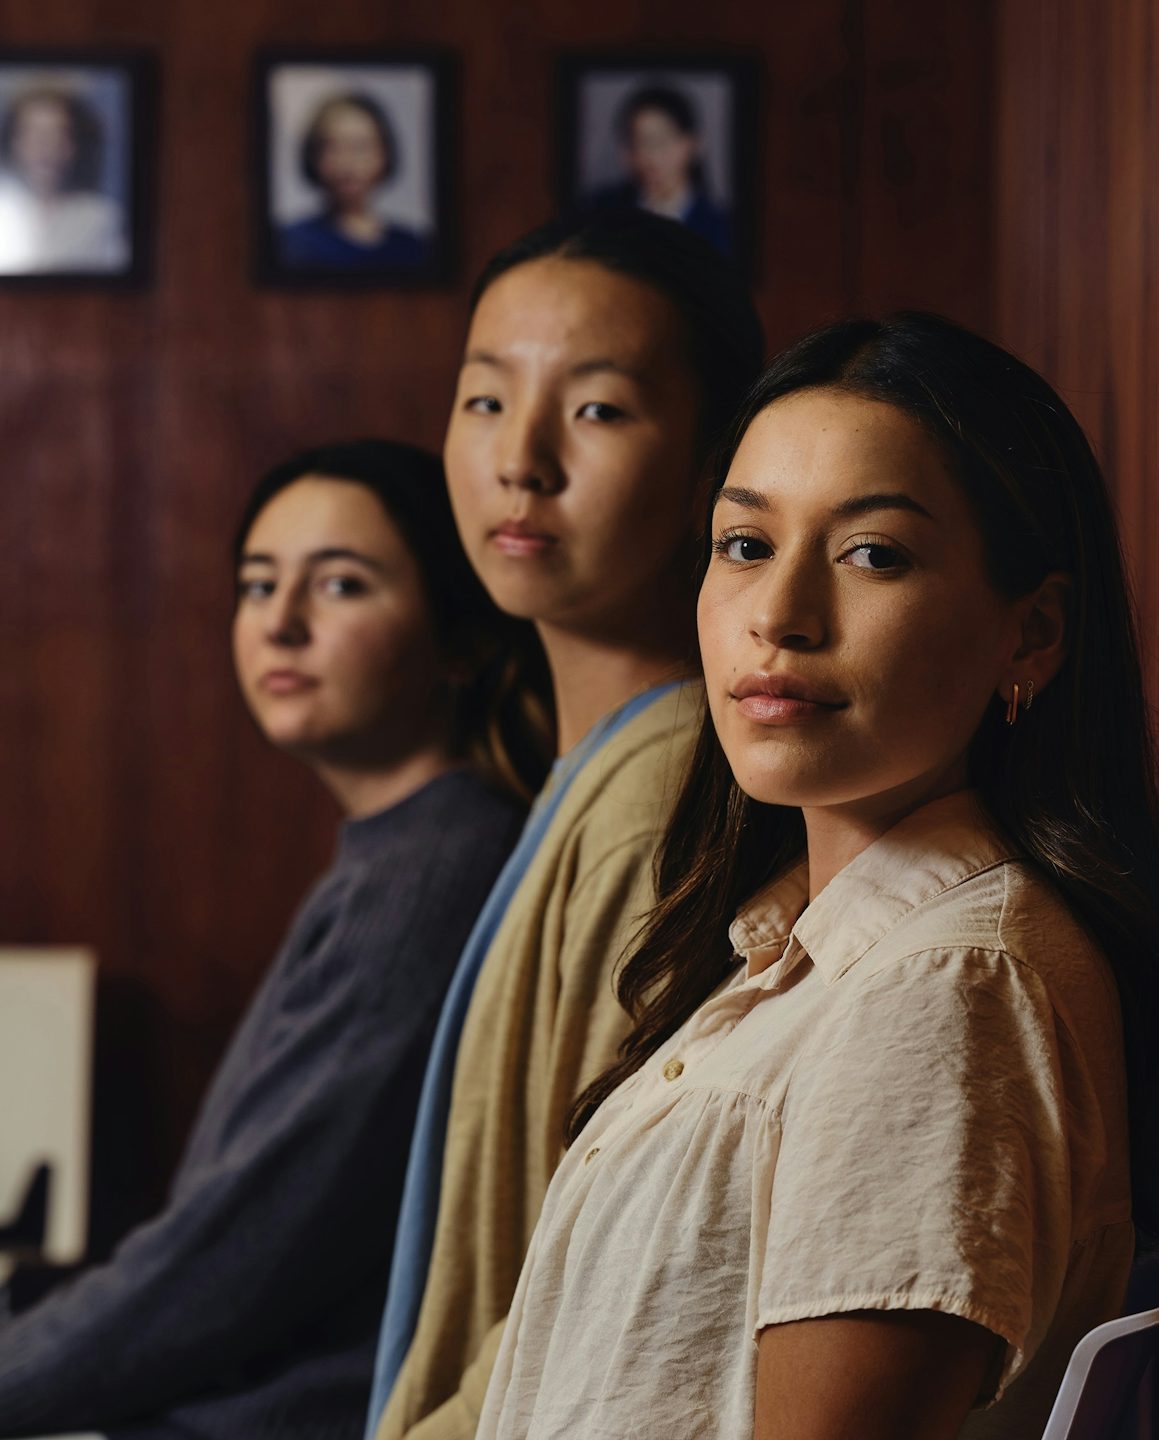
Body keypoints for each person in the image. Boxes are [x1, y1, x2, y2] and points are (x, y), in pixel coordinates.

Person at [472, 313, 1159, 1439]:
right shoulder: (807, 949)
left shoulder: (947, 987)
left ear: (1034, 633)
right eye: (745, 545)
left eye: (875, 554)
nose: (779, 617)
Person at [0, 440, 548, 1439]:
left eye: (340, 584)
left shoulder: (431, 877)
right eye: (258, 585)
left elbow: (231, 1264)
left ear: (462, 640)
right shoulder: (400, 853)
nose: (280, 623)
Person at [366, 212, 764, 1440]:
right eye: (486, 401)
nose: (520, 460)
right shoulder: (590, 767)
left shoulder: (663, 799)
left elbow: (594, 1281)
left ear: (712, 464)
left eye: (595, 410)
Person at [277, 93, 429, 272]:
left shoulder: (415, 248)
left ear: (384, 154)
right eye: (334, 148)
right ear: (313, 156)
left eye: (360, 147)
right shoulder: (290, 242)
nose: (348, 163)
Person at [583, 84, 733, 258]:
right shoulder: (603, 211)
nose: (649, 155)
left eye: (661, 141)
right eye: (639, 142)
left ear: (694, 143)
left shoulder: (720, 226)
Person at [0, 86, 128, 273]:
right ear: (14, 142)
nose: (45, 148)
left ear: (74, 145)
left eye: (58, 134)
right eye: (35, 135)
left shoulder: (101, 219)